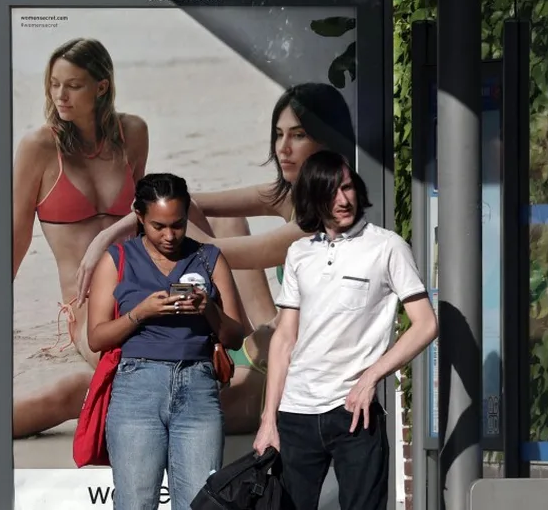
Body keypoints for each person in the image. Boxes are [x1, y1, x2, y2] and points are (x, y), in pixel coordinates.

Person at [76, 82, 356, 433]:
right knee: (223, 216)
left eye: (298, 136)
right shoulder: (292, 195)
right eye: (279, 134)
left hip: (282, 374)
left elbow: (213, 247)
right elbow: (190, 200)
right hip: (264, 342)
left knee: (85, 386)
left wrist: (154, 222)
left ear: (327, 140)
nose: (283, 149)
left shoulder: (317, 221)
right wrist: (108, 234)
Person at [252, 150, 438, 510]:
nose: (343, 199)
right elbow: (285, 338)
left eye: (349, 187)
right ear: (313, 197)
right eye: (332, 191)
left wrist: (371, 378)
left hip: (355, 412)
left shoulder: (387, 247)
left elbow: (426, 324)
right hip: (296, 414)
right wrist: (268, 419)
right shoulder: (299, 253)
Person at [12, 37, 150, 439]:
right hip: (90, 303)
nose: (60, 95)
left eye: (72, 85)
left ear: (101, 86)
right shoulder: (40, 147)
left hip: (144, 278)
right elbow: (16, 240)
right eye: (54, 84)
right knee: (133, 363)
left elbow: (146, 221)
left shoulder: (133, 133)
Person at [87, 172, 246, 509]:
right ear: (140, 217)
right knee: (135, 502)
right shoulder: (117, 259)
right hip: (136, 391)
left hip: (198, 387)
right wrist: (140, 313)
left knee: (199, 503)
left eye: (178, 224)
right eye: (159, 226)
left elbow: (235, 335)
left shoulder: (209, 257)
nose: (170, 235)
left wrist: (209, 311)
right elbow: (96, 337)